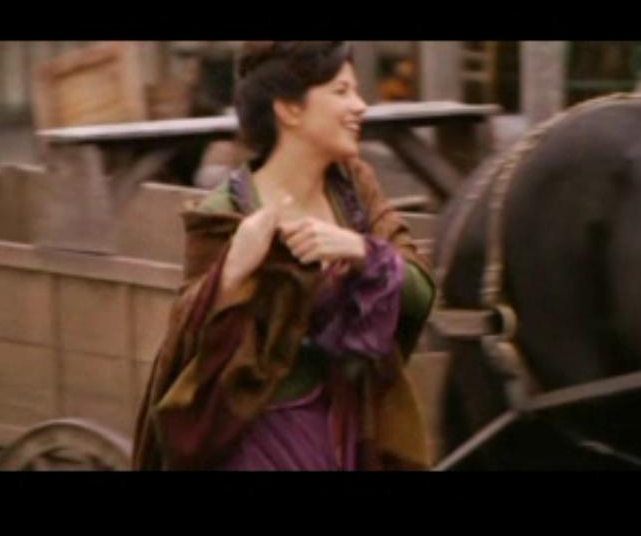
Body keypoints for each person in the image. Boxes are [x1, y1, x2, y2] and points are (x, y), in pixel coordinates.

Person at [132, 41, 435, 471]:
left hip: (353, 431)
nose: (360, 106)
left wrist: (360, 250)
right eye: (342, 91)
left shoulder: (354, 189)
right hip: (261, 440)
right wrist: (231, 273)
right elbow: (186, 345)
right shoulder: (227, 212)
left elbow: (421, 293)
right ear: (290, 109)